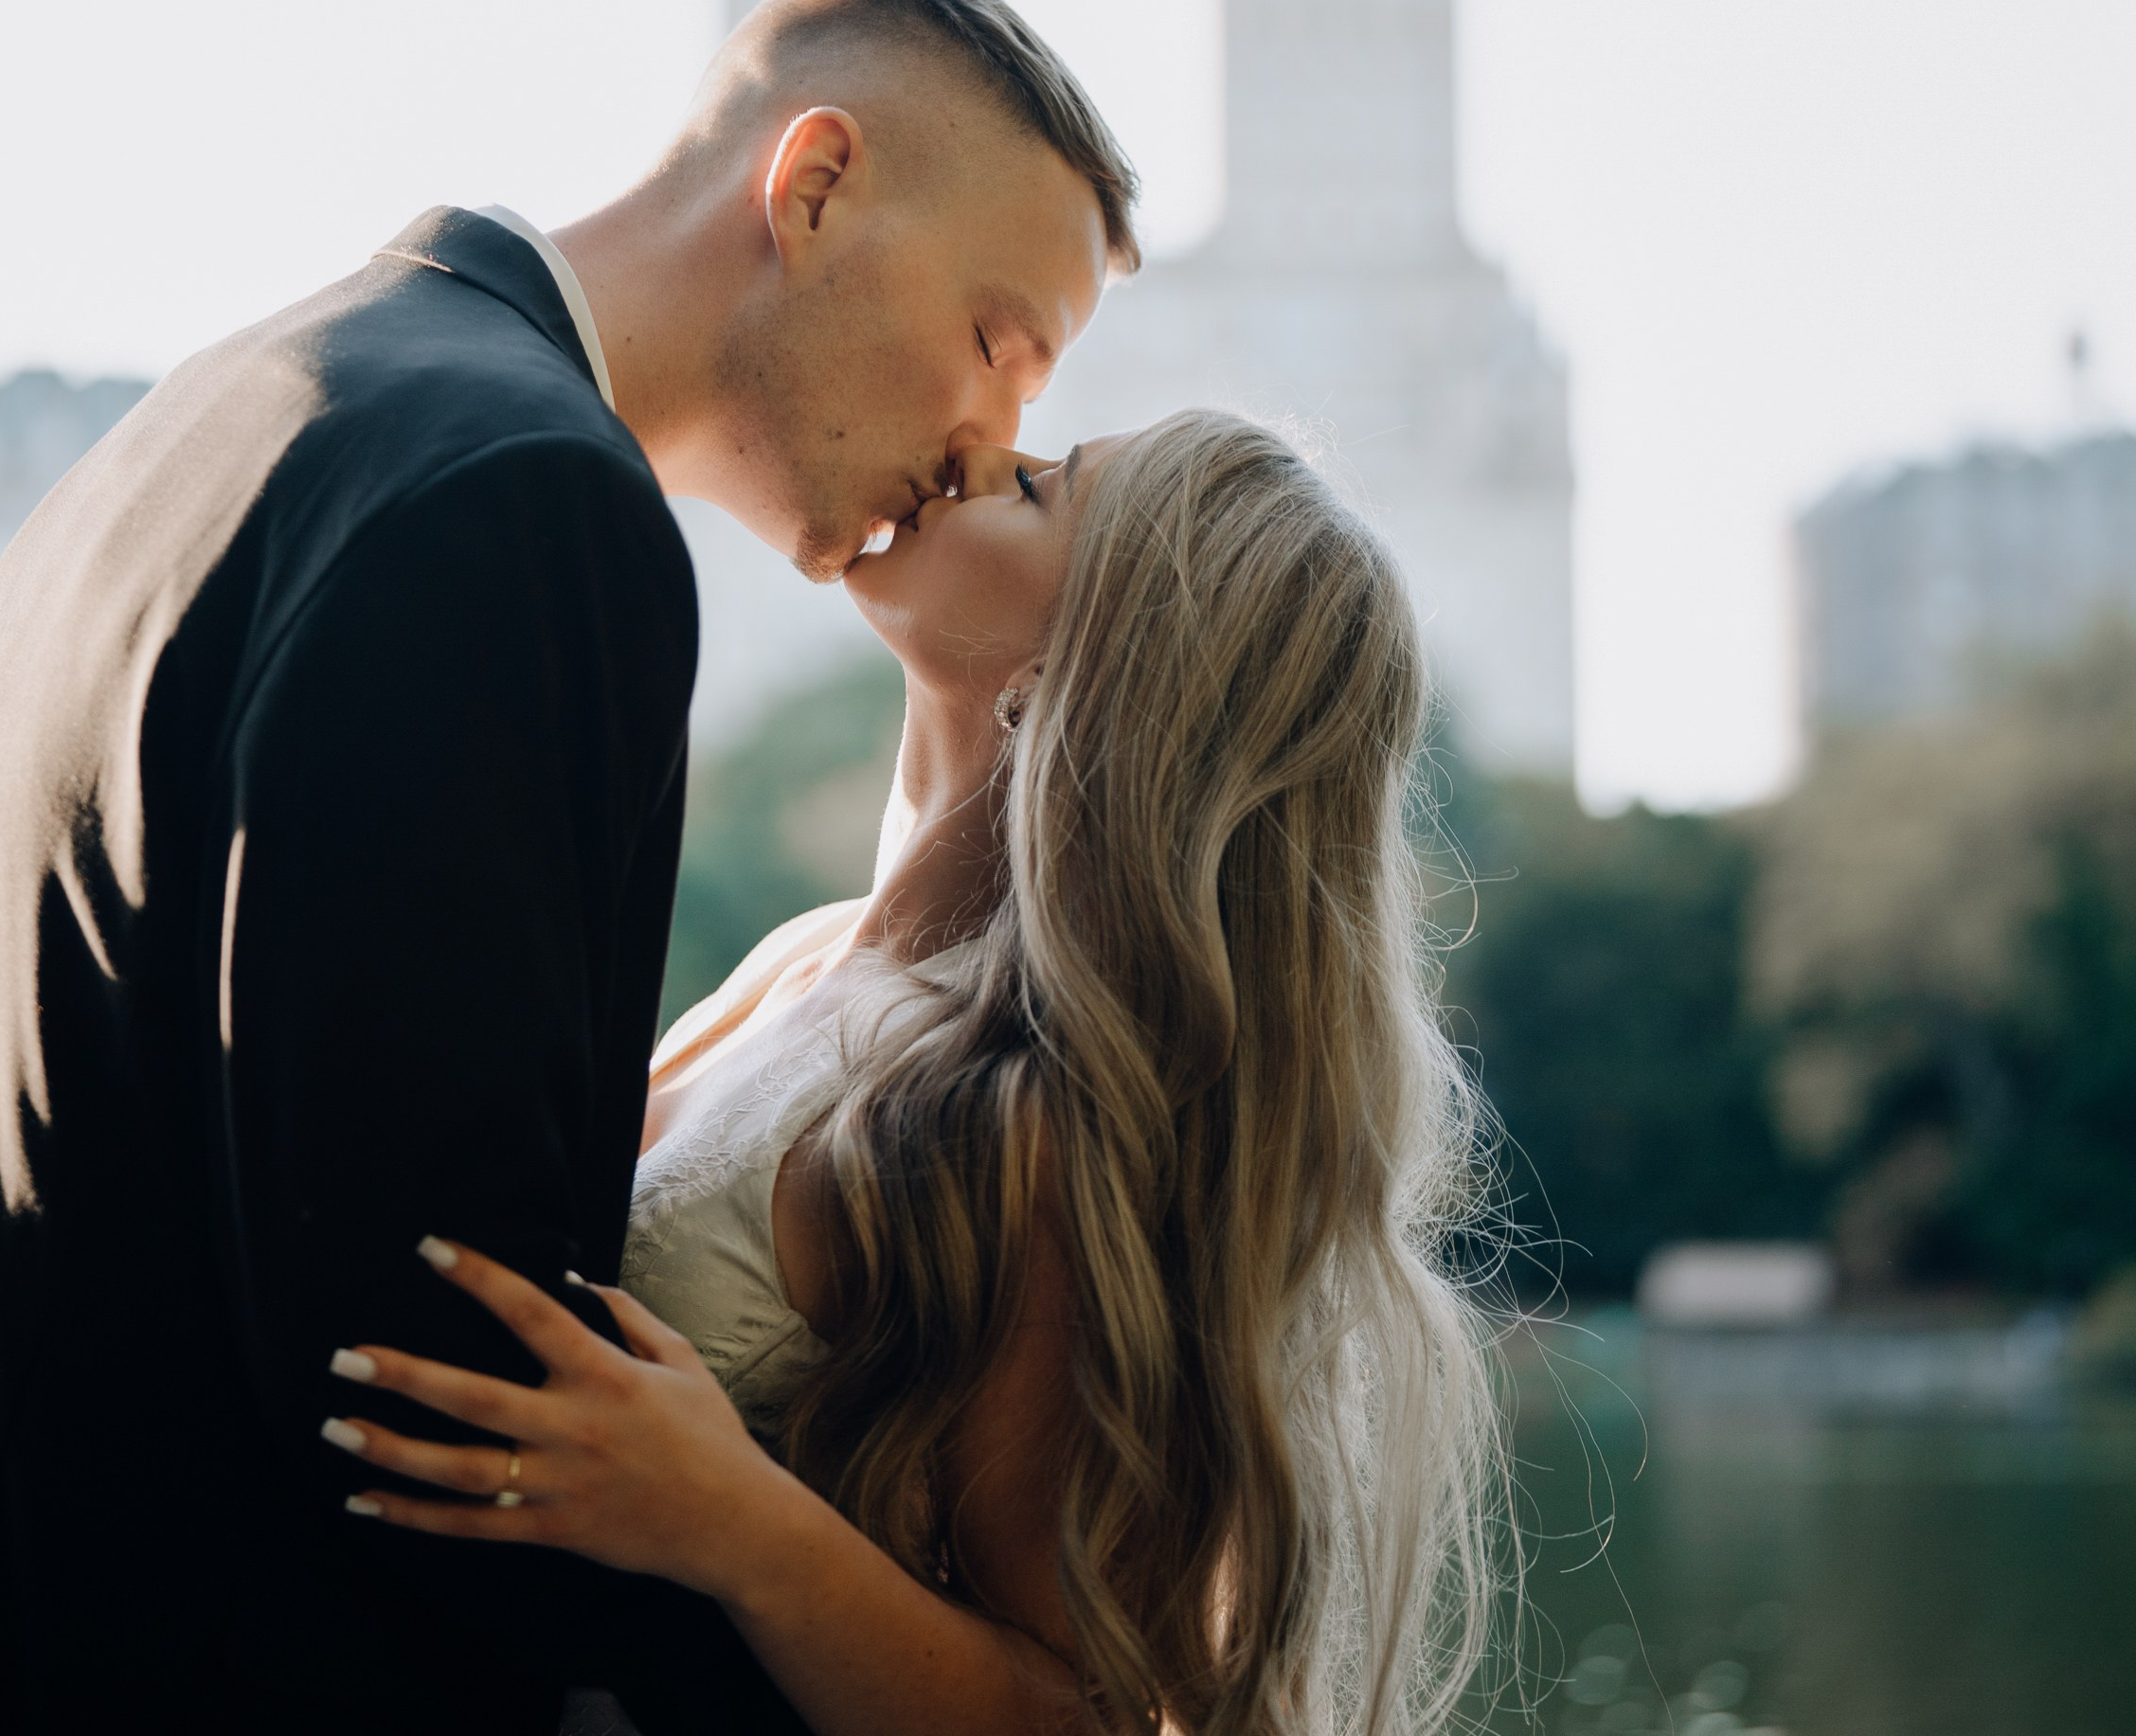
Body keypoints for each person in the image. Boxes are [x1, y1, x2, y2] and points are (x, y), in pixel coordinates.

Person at [0, 0, 1136, 1734]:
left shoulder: (236, 398)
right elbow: (437, 1378)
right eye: (1002, 341)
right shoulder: (528, 504)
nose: (992, 433)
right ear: (822, 183)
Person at [314, 410, 1503, 1736]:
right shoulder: (810, 955)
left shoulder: (1025, 1120)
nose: (978, 451)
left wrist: (732, 1522)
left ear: (1094, 667)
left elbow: (1090, 1713)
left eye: (1044, 488)